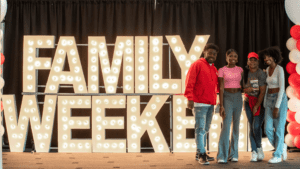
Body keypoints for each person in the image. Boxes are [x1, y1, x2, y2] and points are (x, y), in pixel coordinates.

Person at [184, 43, 219, 165]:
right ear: (204, 52)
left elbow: (216, 87)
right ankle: (202, 154)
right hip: (199, 104)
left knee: (205, 129)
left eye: (214, 54)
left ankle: (199, 152)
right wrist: (189, 98)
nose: (212, 55)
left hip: (210, 104)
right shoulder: (197, 64)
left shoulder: (214, 69)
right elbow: (190, 81)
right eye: (210, 53)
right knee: (200, 129)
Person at [258, 46, 288, 164]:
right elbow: (267, 88)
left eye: (267, 57)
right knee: (268, 129)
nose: (266, 59)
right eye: (265, 58)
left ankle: (277, 154)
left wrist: (277, 106)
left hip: (279, 100)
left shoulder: (279, 69)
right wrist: (266, 103)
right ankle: (281, 146)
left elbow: (281, 89)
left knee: (280, 129)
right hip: (269, 99)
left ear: (274, 57)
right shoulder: (266, 70)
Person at [216, 49, 243, 164]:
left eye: (235, 56)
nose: (233, 58)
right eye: (230, 56)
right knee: (226, 126)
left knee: (236, 126)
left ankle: (234, 154)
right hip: (226, 97)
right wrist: (221, 105)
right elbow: (221, 88)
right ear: (226, 58)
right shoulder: (221, 70)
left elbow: (243, 83)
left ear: (237, 58)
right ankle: (222, 155)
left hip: (238, 97)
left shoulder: (240, 69)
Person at [243, 52, 267, 162]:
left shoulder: (261, 73)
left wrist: (257, 106)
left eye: (254, 59)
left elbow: (262, 92)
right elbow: (240, 86)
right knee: (251, 125)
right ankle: (254, 151)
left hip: (259, 103)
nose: (252, 61)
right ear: (247, 61)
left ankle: (259, 148)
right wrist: (245, 90)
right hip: (248, 102)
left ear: (258, 61)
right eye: (250, 59)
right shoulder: (244, 73)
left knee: (256, 126)